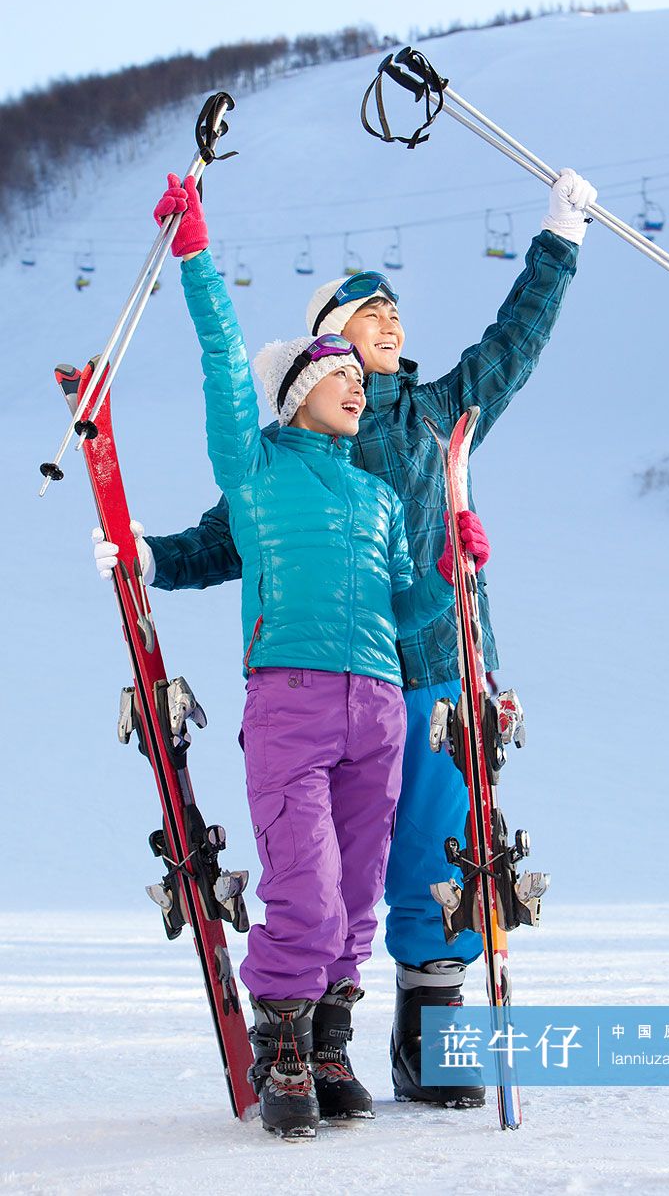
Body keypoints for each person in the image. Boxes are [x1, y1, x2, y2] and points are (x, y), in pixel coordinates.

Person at [94, 165, 597, 1109]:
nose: (390, 321)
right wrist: (150, 558)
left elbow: (514, 344)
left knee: (438, 845)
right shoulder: (295, 446)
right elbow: (233, 535)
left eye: (395, 310)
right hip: (327, 674)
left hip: (434, 665)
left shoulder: (438, 414)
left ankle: (429, 1032)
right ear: (328, 342)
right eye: (369, 312)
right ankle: (314, 1034)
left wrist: (558, 239)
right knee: (333, 866)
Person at [133, 175, 491, 1139]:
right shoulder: (254, 469)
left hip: (377, 702)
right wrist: (196, 254)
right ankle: (282, 1038)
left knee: (360, 889)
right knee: (306, 882)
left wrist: (451, 572)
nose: (359, 385)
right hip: (290, 699)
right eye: (341, 374)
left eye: (360, 379)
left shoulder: (378, 500)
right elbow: (223, 361)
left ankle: (332, 1038)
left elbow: (404, 605)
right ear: (300, 391)